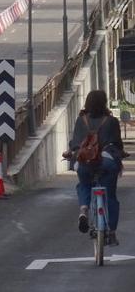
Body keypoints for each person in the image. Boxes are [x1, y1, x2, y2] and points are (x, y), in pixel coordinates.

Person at [63, 90, 127, 246]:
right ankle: (111, 233)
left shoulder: (81, 120)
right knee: (110, 196)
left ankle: (84, 209)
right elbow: (117, 144)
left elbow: (75, 144)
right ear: (104, 102)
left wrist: (72, 152)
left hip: (85, 162)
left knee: (84, 184)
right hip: (107, 162)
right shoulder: (111, 121)